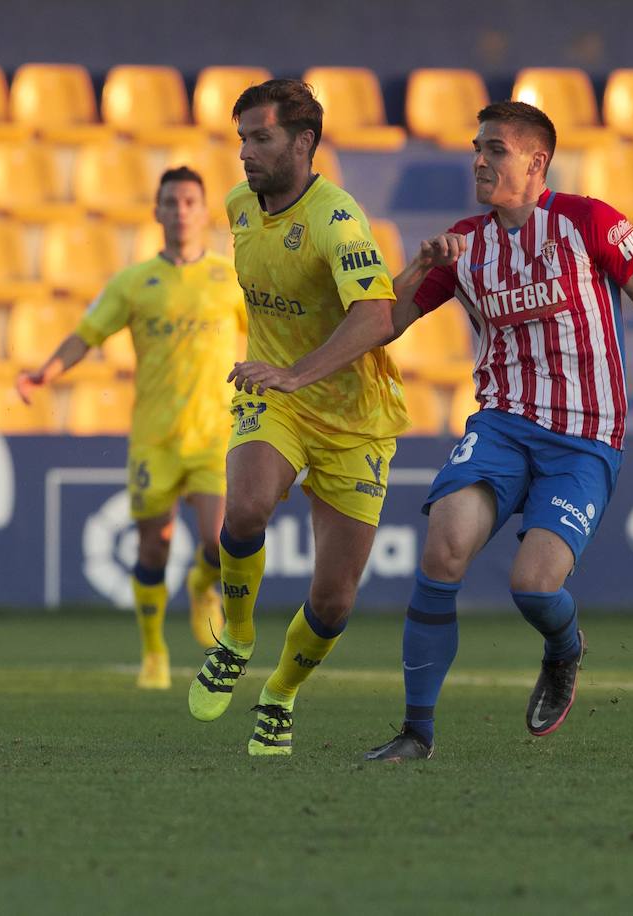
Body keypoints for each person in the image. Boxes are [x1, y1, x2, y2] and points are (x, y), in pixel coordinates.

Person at [354, 101, 633, 761]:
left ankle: (563, 647)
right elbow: (386, 319)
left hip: (585, 435)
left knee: (533, 585)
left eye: (494, 148)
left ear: (535, 161)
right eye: (476, 147)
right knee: (442, 550)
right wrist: (414, 267)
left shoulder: (589, 222)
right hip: (501, 426)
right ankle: (417, 733)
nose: (479, 160)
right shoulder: (464, 245)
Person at [187, 79, 410, 756]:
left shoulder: (338, 220)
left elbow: (376, 316)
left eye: (261, 139)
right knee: (246, 509)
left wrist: (297, 372)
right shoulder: (237, 207)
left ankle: (279, 695)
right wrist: (280, 378)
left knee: (335, 601)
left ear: (304, 142)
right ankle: (237, 635)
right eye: (241, 140)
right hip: (273, 398)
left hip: (353, 418)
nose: (246, 154)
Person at [16, 166, 243, 689]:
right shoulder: (134, 282)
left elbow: (273, 331)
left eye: (190, 201)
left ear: (204, 211)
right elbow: (87, 333)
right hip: (154, 439)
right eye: (171, 201)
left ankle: (203, 587)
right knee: (152, 550)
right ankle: (154, 653)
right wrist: (44, 373)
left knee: (218, 544)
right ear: (157, 211)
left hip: (213, 434)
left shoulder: (229, 279)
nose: (181, 210)